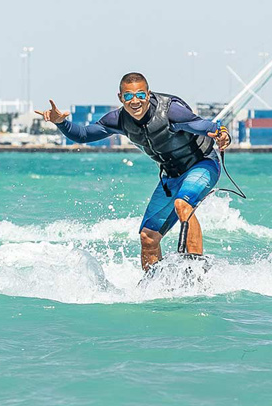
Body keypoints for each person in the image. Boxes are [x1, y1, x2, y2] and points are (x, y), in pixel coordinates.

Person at [38, 72, 231, 271]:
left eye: (140, 95)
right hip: (170, 177)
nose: (135, 101)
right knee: (148, 237)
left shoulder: (170, 110)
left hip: (202, 164)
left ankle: (195, 272)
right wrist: (60, 122)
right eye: (129, 96)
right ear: (120, 98)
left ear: (148, 94)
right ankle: (153, 287)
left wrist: (221, 133)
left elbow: (202, 125)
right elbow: (83, 134)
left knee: (183, 204)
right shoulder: (118, 120)